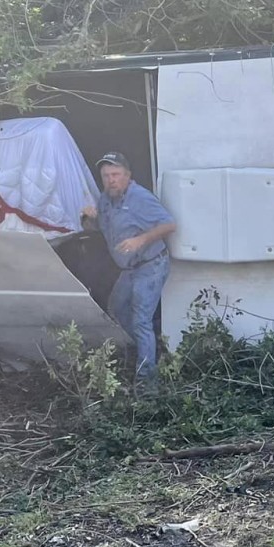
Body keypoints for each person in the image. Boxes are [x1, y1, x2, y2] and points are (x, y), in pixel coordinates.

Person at [81, 151, 176, 385]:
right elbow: (96, 230)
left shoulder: (140, 198)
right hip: (129, 269)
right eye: (106, 175)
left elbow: (170, 224)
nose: (111, 180)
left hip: (151, 265)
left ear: (128, 176)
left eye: (116, 174)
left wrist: (139, 240)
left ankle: (146, 384)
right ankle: (152, 350)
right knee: (117, 309)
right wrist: (87, 218)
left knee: (140, 320)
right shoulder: (105, 199)